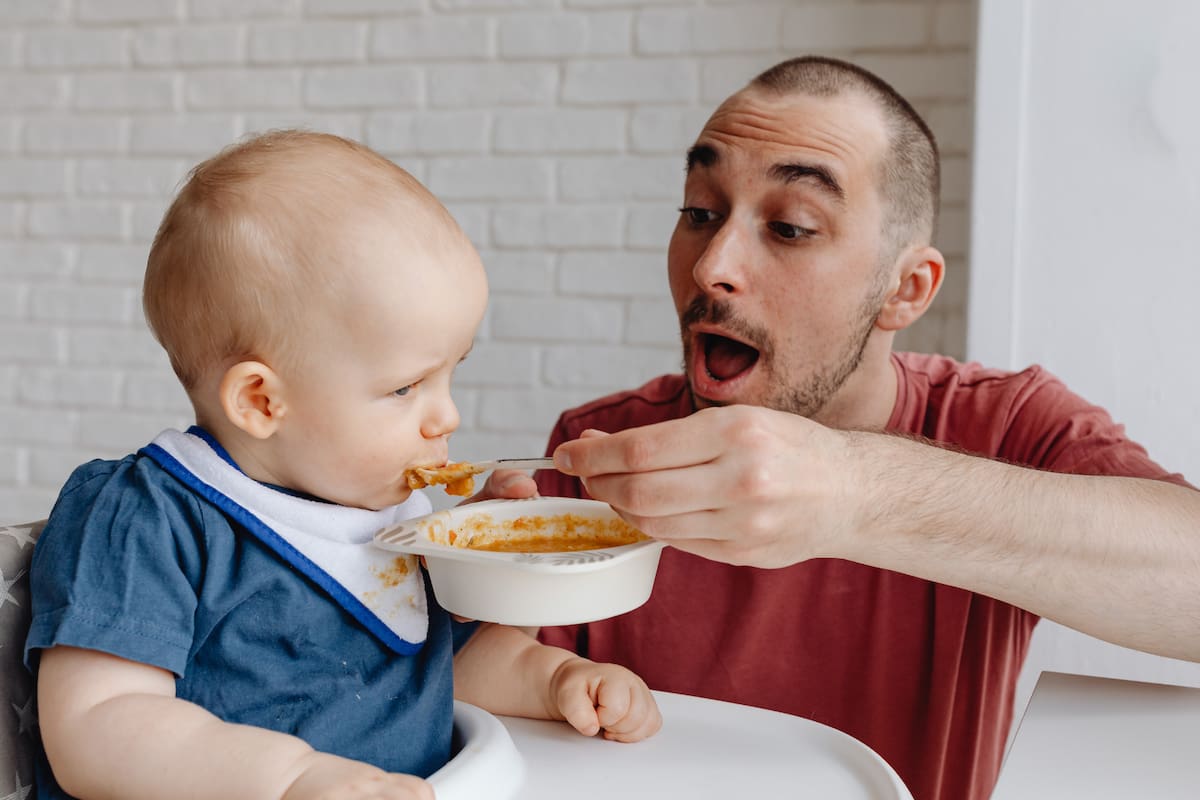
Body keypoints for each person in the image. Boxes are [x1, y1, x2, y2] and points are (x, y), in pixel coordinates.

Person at [534, 55, 1200, 800]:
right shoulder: (596, 447)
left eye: (789, 226)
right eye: (699, 212)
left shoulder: (1005, 424)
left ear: (905, 289)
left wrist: (856, 493)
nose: (711, 266)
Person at [25, 130, 660, 800]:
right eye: (404, 388)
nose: (446, 417)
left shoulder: (386, 519)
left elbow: (441, 678)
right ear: (262, 400)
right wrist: (291, 779)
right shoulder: (148, 517)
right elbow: (100, 727)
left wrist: (555, 678)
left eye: (450, 376)